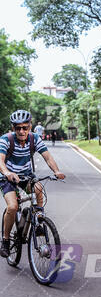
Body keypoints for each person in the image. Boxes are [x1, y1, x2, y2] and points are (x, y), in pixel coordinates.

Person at [0, 110, 65, 258]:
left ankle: (39, 222)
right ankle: (5, 241)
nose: (21, 131)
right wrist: (7, 173)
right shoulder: (5, 139)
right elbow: (0, 161)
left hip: (26, 176)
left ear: (30, 126)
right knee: (12, 206)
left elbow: (47, 157)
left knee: (38, 188)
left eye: (25, 127)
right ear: (13, 128)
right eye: (18, 128)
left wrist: (56, 171)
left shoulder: (34, 139)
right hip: (7, 177)